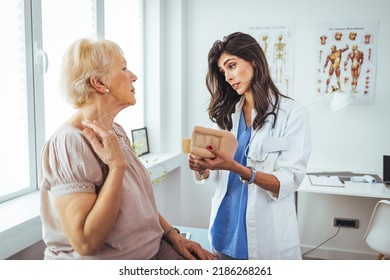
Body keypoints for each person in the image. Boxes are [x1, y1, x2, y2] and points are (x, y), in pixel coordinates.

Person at [39, 37, 215, 260]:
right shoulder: (69, 143)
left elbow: (139, 204)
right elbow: (86, 242)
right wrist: (116, 166)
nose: (133, 76)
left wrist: (173, 235)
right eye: (123, 68)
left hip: (154, 249)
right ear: (99, 84)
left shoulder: (116, 131)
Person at [187, 32, 311, 260]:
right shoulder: (226, 115)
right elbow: (218, 177)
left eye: (231, 66)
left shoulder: (292, 113)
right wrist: (202, 167)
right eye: (223, 72)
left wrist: (237, 168)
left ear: (254, 60)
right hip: (224, 230)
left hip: (266, 235)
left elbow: (289, 180)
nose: (228, 77)